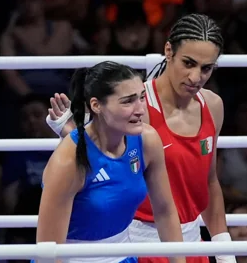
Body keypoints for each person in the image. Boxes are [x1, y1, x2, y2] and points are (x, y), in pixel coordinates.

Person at [46, 14, 236, 263]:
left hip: (191, 243)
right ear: (168, 51)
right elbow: (98, 161)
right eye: (188, 63)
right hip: (139, 243)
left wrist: (223, 249)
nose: (195, 77)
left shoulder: (213, 105)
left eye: (206, 68)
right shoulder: (135, 107)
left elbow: (209, 181)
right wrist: (69, 132)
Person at [36, 61, 185, 263]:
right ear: (96, 105)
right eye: (128, 101)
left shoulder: (147, 140)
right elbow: (49, 252)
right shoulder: (67, 162)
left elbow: (165, 211)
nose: (140, 109)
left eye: (142, 97)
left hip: (125, 258)